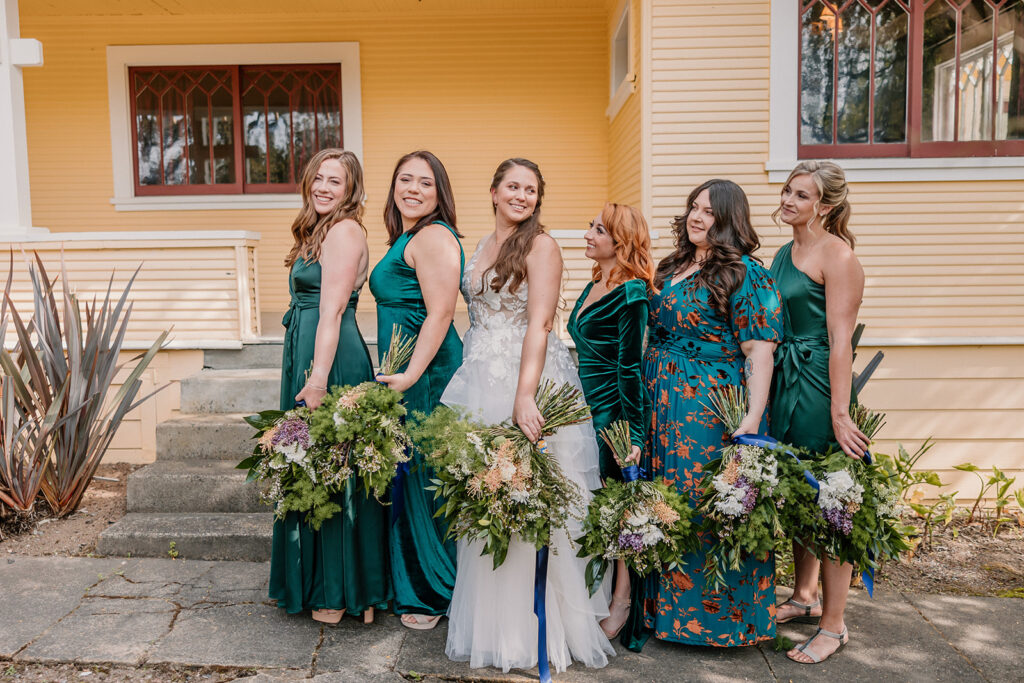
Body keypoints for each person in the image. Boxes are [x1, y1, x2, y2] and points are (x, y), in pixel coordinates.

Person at [441, 158, 615, 674]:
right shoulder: (479, 245)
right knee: (489, 498)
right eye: (512, 187)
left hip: (528, 378)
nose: (521, 196)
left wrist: (524, 396)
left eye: (531, 190)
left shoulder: (542, 246)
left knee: (534, 500)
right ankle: (495, 631)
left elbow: (539, 325)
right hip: (479, 380)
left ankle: (539, 631)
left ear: (539, 199)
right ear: (492, 191)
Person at [635, 179, 782, 649]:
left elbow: (759, 351)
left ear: (729, 220)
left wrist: (753, 418)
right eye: (694, 208)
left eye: (710, 212)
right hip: (659, 401)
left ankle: (717, 623)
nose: (698, 217)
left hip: (708, 405)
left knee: (704, 501)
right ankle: (663, 615)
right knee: (662, 500)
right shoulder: (673, 265)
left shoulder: (744, 275)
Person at [269, 148, 389, 625]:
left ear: (350, 189)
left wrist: (318, 378)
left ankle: (340, 593)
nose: (323, 187)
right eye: (318, 178)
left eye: (334, 181)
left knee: (333, 466)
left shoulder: (344, 230)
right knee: (312, 465)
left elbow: (333, 309)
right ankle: (324, 581)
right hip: (307, 348)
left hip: (331, 359)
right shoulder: (316, 229)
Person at [769, 160, 867, 664]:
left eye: (801, 196)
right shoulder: (785, 252)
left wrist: (840, 413)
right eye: (787, 191)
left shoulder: (838, 255)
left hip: (816, 384)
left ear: (824, 206)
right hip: (783, 379)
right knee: (793, 490)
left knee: (828, 501)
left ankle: (834, 625)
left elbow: (840, 341)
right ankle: (805, 598)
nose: (788, 200)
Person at [370, 150, 464, 630]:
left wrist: (408, 375)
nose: (412, 189)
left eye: (425, 183)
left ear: (439, 193)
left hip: (426, 372)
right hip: (403, 368)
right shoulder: (406, 236)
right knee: (406, 472)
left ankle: (433, 591)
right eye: (404, 179)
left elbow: (441, 312)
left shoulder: (433, 235)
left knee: (425, 474)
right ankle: (411, 580)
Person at [566, 202, 654, 639]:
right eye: (590, 225)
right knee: (596, 505)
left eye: (597, 229)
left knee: (622, 506)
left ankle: (622, 603)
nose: (587, 234)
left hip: (613, 414)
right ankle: (594, 593)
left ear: (621, 242)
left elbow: (631, 367)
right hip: (582, 408)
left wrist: (633, 434)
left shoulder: (632, 293)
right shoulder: (595, 283)